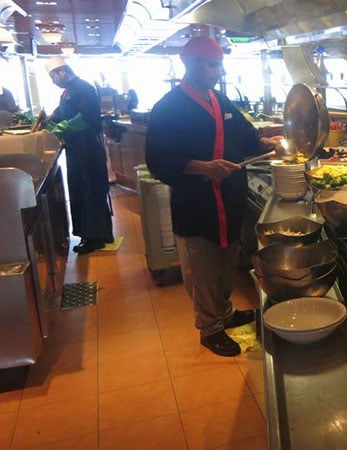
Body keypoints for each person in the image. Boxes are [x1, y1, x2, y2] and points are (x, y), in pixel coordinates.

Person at [145, 37, 283, 357]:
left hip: (230, 199)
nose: (214, 70)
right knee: (202, 268)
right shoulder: (168, 107)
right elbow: (159, 159)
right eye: (207, 64)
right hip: (198, 203)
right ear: (188, 64)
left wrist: (267, 143)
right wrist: (203, 167)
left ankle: (225, 312)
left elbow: (245, 136)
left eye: (217, 64)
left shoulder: (219, 99)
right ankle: (209, 328)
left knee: (226, 263)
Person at [45, 56, 114, 254]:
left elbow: (85, 118)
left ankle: (94, 237)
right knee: (81, 189)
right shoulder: (67, 91)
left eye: (53, 77)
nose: (53, 82)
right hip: (76, 148)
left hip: (87, 148)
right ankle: (96, 234)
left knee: (89, 190)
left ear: (62, 72)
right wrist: (49, 121)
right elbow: (61, 113)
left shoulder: (84, 88)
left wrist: (60, 128)